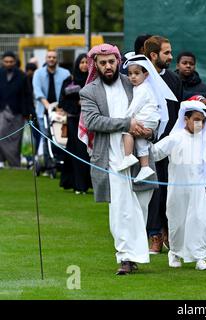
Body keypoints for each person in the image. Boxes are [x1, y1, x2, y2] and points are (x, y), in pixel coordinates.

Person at [79, 43, 160, 275]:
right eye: (102, 63)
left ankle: (134, 255)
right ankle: (125, 256)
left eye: (111, 62)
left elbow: (152, 109)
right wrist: (126, 124)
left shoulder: (133, 81)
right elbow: (93, 121)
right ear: (95, 64)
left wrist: (149, 131)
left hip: (139, 155)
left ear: (117, 61)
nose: (107, 66)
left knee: (141, 203)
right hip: (110, 158)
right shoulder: (89, 92)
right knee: (120, 209)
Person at [150, 99, 206, 270]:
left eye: (203, 121)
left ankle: (200, 257)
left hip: (198, 189)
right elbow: (155, 153)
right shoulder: (175, 138)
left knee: (199, 221)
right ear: (186, 119)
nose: (200, 124)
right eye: (196, 120)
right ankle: (174, 252)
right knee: (177, 222)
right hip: (177, 189)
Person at [144, 35, 183, 254]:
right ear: (153, 55)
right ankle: (154, 235)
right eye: (167, 53)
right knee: (152, 192)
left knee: (169, 191)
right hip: (146, 146)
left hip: (170, 147)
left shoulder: (174, 80)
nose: (171, 56)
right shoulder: (141, 77)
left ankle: (169, 232)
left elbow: (177, 114)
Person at [118, 53, 176, 182]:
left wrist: (126, 119)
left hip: (146, 118)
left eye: (136, 73)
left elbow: (135, 106)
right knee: (141, 140)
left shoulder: (142, 88)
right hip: (151, 120)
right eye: (130, 73)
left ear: (146, 74)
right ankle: (145, 167)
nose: (132, 76)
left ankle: (128, 156)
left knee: (127, 130)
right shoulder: (144, 87)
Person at [58, 53, 92, 194]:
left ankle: (88, 184)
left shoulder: (93, 80)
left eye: (86, 62)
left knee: (87, 152)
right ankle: (78, 185)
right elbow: (62, 101)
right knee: (76, 152)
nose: (84, 65)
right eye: (81, 62)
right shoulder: (69, 80)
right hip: (74, 121)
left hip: (90, 121)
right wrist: (77, 104)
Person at [32, 50, 70, 174]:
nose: (51, 59)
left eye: (54, 57)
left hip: (61, 110)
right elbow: (37, 91)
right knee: (46, 136)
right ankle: (49, 165)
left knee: (61, 137)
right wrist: (47, 106)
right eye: (49, 57)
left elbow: (68, 91)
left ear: (57, 59)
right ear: (46, 59)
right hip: (44, 110)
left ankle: (62, 162)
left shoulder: (65, 73)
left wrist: (61, 107)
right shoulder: (38, 73)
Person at [0, 51, 33, 168]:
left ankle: (15, 164)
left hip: (18, 112)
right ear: (2, 62)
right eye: (6, 61)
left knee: (16, 139)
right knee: (1, 134)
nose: (8, 64)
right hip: (2, 111)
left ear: (14, 62)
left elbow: (28, 95)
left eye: (11, 62)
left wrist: (29, 113)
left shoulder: (22, 76)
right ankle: (1, 161)